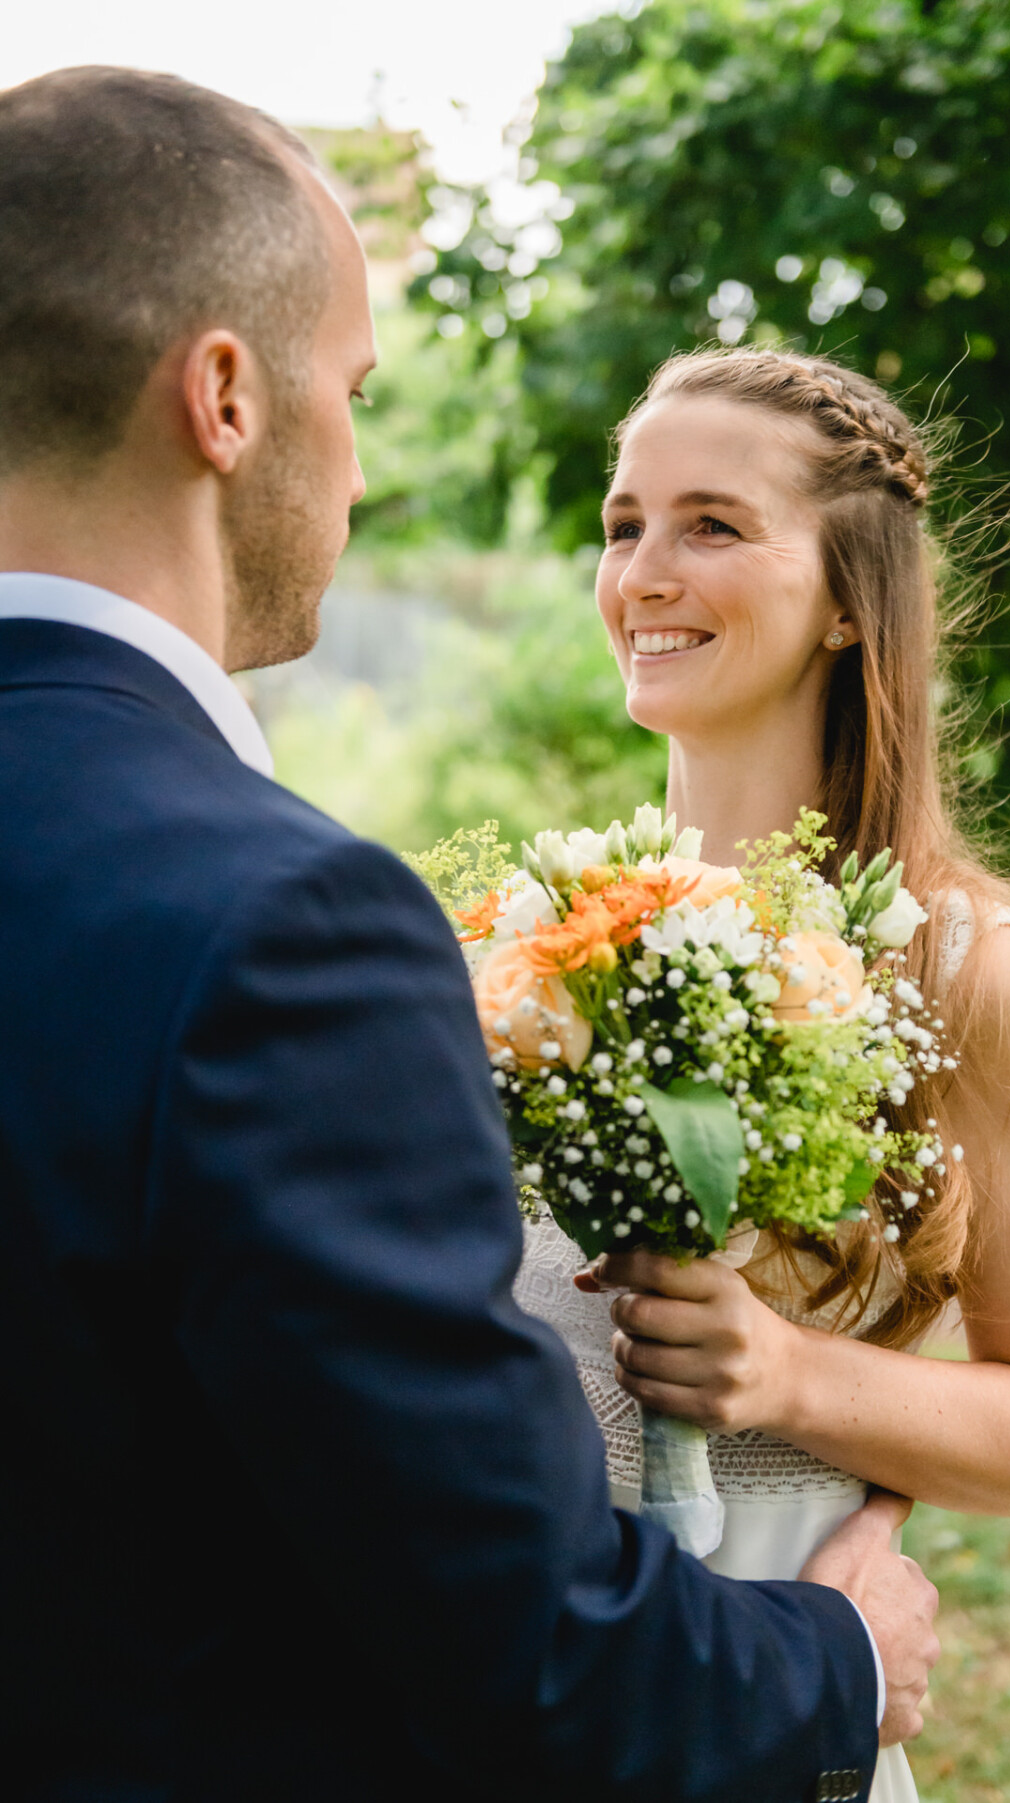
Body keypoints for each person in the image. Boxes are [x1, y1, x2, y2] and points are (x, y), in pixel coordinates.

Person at [0, 68, 939, 1803]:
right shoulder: (287, 928)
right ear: (224, 396)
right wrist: (845, 1653)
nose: (354, 464)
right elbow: (530, 1650)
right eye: (349, 393)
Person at [514, 347, 1010, 1802]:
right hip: (524, 1677)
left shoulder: (960, 962)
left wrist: (786, 1373)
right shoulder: (554, 929)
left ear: (852, 601)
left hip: (772, 1679)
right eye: (624, 526)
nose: (643, 573)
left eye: (711, 526)